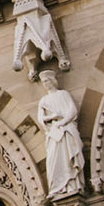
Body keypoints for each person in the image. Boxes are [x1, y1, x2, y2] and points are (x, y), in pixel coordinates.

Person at [36, 70, 84, 199]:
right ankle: (57, 187)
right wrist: (52, 117)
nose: (45, 84)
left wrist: (62, 121)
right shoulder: (44, 100)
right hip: (54, 133)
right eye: (43, 82)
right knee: (53, 159)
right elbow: (41, 119)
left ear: (52, 81)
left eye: (47, 81)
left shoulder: (63, 94)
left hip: (66, 130)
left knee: (67, 156)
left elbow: (72, 110)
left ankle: (71, 184)